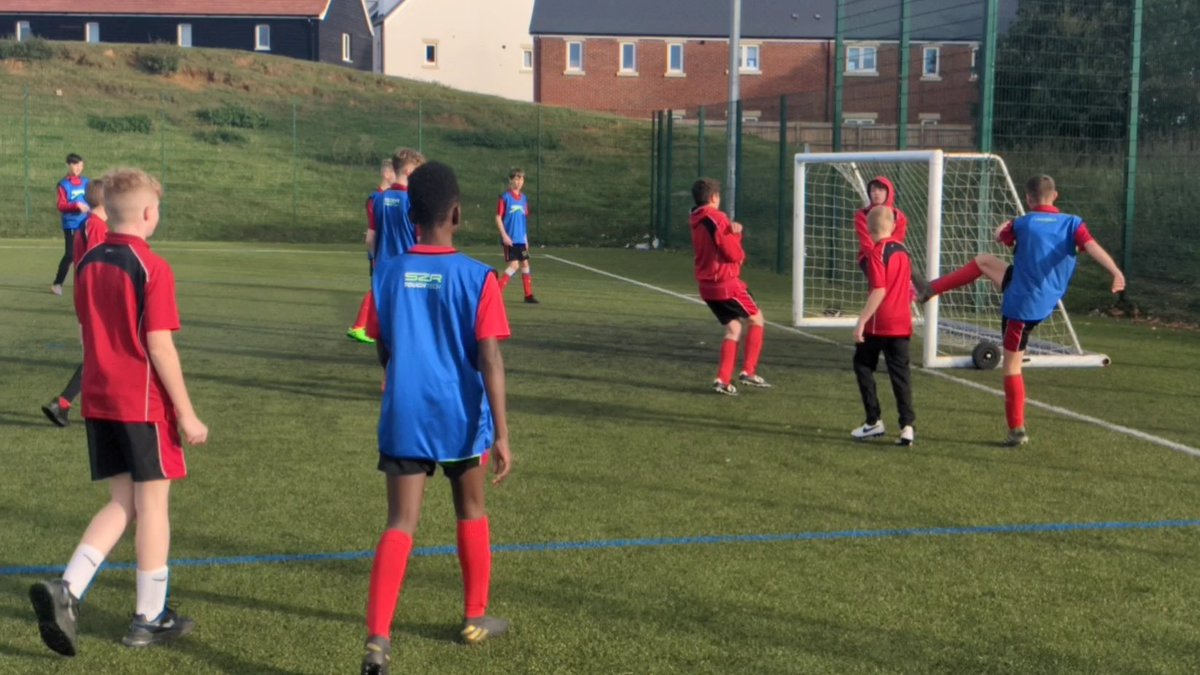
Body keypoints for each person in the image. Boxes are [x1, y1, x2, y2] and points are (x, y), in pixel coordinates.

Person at [29, 168, 208, 657]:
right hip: (141, 403)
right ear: (149, 213)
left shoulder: (87, 262)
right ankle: (149, 617)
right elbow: (160, 347)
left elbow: (87, 332)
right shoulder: (151, 266)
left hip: (99, 400)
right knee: (152, 507)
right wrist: (187, 413)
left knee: (122, 503)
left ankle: (67, 589)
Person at [361, 161, 513, 675]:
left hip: (404, 412)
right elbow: (490, 358)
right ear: (457, 213)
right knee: (470, 509)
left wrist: (402, 373)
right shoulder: (478, 277)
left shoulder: (388, 273)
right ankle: (474, 616)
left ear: (410, 215)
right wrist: (503, 433)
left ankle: (378, 639)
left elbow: (383, 345)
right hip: (460, 415)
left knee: (400, 522)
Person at [919, 174, 1125, 446]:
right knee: (984, 262)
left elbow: (999, 236)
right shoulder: (1073, 223)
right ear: (1056, 195)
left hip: (1022, 305)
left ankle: (1016, 429)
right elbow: (1092, 247)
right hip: (1041, 294)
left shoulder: (1023, 223)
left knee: (1011, 367)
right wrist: (1115, 272)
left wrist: (1004, 227)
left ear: (1028, 199)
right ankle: (931, 289)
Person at [688, 178, 770, 396]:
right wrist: (736, 233)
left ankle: (723, 380)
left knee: (734, 328)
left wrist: (730, 231)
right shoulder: (717, 218)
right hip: (725, 284)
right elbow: (733, 254)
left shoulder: (695, 217)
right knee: (757, 319)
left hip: (706, 286)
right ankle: (749, 372)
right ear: (714, 197)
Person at [41, 178, 109, 427]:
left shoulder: (87, 224)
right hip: (96, 300)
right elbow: (98, 269)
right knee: (102, 356)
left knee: (102, 356)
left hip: (86, 297)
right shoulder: (97, 228)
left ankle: (66, 404)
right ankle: (64, 403)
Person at [851, 206, 916, 446]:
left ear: (868, 229)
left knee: (862, 365)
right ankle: (907, 427)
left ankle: (873, 421)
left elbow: (879, 289)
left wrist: (862, 321)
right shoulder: (904, 251)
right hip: (902, 323)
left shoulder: (877, 252)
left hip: (880, 323)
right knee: (901, 376)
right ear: (893, 226)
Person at [347, 159, 398, 344]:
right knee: (378, 288)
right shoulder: (376, 198)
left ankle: (375, 326)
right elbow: (374, 230)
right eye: (395, 172)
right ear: (386, 174)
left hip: (387, 251)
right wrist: (375, 253)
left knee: (384, 288)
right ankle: (359, 326)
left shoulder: (391, 197)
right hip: (381, 252)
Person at [371, 148, 426, 263]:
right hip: (408, 266)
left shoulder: (377, 199)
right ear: (408, 171)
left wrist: (375, 261)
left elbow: (370, 238)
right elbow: (421, 239)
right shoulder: (415, 200)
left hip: (383, 267)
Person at [494, 168, 538, 303]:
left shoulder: (524, 199)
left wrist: (525, 239)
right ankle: (495, 293)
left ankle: (528, 295)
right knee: (514, 265)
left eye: (521, 179)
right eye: (517, 179)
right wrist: (504, 236)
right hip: (510, 239)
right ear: (510, 180)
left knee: (525, 263)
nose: (519, 182)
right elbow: (498, 217)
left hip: (521, 239)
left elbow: (524, 219)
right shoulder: (505, 198)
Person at [51, 153, 91, 296]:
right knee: (70, 255)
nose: (78, 168)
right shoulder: (63, 184)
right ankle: (57, 283)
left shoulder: (86, 182)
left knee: (88, 254)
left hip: (86, 223)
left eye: (80, 165)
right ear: (68, 165)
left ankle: (86, 283)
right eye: (75, 165)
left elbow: (93, 199)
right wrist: (76, 206)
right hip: (72, 225)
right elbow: (61, 205)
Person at [853, 176, 908, 272]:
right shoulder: (862, 215)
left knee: (909, 269)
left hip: (891, 254)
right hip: (869, 256)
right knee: (880, 276)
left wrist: (886, 252)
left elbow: (898, 239)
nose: (876, 193)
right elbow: (866, 241)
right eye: (873, 190)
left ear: (889, 193)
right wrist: (876, 256)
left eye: (881, 190)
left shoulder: (899, 216)